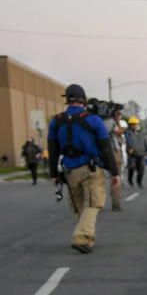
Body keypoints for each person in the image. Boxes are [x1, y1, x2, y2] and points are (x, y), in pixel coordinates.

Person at [47, 84, 120, 253]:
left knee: (79, 206)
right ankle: (81, 236)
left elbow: (53, 150)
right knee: (94, 203)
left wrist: (53, 174)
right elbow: (105, 147)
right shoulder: (94, 120)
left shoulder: (56, 121)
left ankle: (86, 239)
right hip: (91, 168)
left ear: (67, 100)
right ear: (83, 100)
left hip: (69, 169)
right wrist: (114, 172)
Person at [106, 106, 126, 210]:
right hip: (113, 152)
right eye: (118, 114)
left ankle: (96, 203)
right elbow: (119, 131)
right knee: (115, 177)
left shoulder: (97, 121)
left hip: (101, 152)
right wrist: (117, 121)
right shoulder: (111, 122)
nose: (119, 116)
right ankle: (116, 204)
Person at [125, 116, 147, 188]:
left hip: (141, 154)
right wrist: (129, 149)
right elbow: (128, 142)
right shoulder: (127, 133)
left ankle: (139, 182)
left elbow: (145, 143)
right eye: (133, 124)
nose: (134, 126)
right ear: (130, 125)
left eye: (136, 124)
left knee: (141, 169)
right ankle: (130, 179)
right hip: (132, 154)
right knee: (132, 167)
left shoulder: (141, 133)